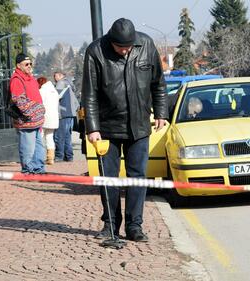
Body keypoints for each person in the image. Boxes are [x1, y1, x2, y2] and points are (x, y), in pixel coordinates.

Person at [82, 18, 168, 242]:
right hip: (106, 128)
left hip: (139, 126)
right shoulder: (95, 51)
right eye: (121, 47)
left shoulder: (146, 45)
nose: (125, 51)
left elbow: (158, 83)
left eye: (129, 47)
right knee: (108, 179)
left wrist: (161, 113)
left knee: (137, 178)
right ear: (111, 41)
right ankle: (110, 224)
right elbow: (89, 93)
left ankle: (134, 226)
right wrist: (92, 127)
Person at [9, 53, 46, 174]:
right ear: (19, 65)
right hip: (27, 121)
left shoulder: (31, 78)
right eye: (26, 64)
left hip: (37, 121)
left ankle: (38, 168)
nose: (29, 66)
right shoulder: (17, 79)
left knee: (39, 148)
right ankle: (28, 170)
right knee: (28, 148)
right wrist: (31, 114)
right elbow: (19, 100)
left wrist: (39, 112)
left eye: (30, 64)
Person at [53, 71, 79, 162]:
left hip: (63, 113)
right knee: (67, 136)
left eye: (55, 76)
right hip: (71, 114)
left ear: (60, 76)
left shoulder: (61, 83)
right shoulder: (69, 84)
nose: (54, 78)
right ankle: (69, 156)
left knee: (59, 136)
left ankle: (59, 156)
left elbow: (56, 97)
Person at [37, 76, 59, 165]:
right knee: (50, 137)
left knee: (40, 137)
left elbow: (39, 103)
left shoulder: (42, 91)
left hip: (44, 117)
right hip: (54, 118)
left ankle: (40, 157)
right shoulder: (54, 91)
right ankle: (51, 158)